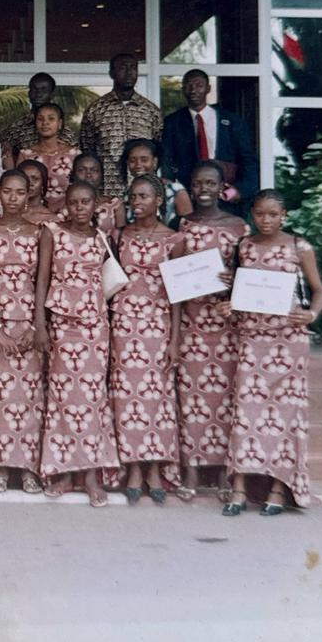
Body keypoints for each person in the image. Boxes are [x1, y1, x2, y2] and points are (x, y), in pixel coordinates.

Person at [219, 189, 322, 516]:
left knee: (285, 417)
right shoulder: (244, 246)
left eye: (273, 214)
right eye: (260, 214)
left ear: (284, 216)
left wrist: (311, 314)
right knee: (246, 414)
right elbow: (240, 291)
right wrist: (230, 304)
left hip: (288, 342)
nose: (266, 220)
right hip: (252, 339)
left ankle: (278, 489)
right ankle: (238, 489)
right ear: (252, 214)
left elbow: (318, 290)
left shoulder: (299, 247)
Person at [34, 182, 120, 507]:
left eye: (86, 202)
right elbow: (42, 279)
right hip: (62, 325)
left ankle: (91, 476)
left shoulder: (102, 238)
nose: (80, 208)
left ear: (95, 204)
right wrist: (40, 323)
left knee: (93, 401)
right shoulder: (52, 233)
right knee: (62, 400)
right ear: (66, 205)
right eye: (74, 202)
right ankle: (65, 473)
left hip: (95, 328)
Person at [175, 161, 250, 502]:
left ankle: (222, 472)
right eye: (198, 183)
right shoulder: (182, 224)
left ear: (222, 189)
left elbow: (251, 272)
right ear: (191, 187)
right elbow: (173, 273)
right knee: (191, 397)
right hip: (192, 323)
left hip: (226, 325)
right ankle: (191, 469)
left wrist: (234, 282)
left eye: (210, 183)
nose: (203, 188)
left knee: (224, 400)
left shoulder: (239, 227)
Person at [109, 174, 185, 504]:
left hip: (157, 326)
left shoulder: (174, 240)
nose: (136, 202)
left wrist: (175, 339)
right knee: (127, 398)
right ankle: (133, 468)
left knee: (156, 399)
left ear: (158, 200)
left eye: (143, 196)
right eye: (133, 196)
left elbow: (178, 294)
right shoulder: (120, 236)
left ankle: (154, 468)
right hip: (124, 325)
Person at [0, 169, 45, 494]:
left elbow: (42, 282)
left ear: (28, 195)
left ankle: (27, 469)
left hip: (29, 325)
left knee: (28, 399)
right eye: (7, 191)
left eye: (20, 192)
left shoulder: (39, 232)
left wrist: (36, 326)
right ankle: (0, 469)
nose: (13, 198)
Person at [161, 69, 259, 209]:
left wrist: (239, 190)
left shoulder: (232, 121)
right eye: (189, 86)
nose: (193, 90)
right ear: (183, 90)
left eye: (199, 85)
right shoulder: (173, 122)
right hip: (189, 200)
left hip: (226, 197)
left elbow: (248, 161)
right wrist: (176, 194)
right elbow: (167, 162)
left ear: (208, 88)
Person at [79, 53, 162, 198]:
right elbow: (88, 150)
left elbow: (157, 148)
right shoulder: (96, 110)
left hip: (144, 192)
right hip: (107, 191)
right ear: (111, 73)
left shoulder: (151, 110)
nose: (129, 72)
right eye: (123, 68)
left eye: (133, 68)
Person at [17, 103, 79, 211]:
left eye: (51, 118)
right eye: (40, 119)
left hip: (68, 214)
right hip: (32, 214)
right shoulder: (25, 155)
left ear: (60, 123)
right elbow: (18, 188)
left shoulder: (74, 154)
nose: (45, 123)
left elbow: (81, 189)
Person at [119, 138, 192, 227]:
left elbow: (188, 226)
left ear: (154, 162)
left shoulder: (174, 190)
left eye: (144, 160)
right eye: (132, 161)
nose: (138, 165)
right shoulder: (128, 193)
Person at [1, 72, 78, 154]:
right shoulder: (16, 129)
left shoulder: (65, 132)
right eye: (34, 89)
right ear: (29, 93)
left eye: (44, 90)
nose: (38, 94)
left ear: (52, 94)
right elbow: (7, 155)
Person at [70, 151, 124, 233]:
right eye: (82, 170)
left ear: (102, 175)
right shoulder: (64, 205)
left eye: (94, 170)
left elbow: (121, 237)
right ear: (73, 174)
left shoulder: (115, 205)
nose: (88, 175)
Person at [16, 159, 54, 226]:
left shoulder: (51, 220)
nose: (30, 183)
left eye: (35, 179)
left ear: (43, 183)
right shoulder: (5, 213)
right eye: (25, 178)